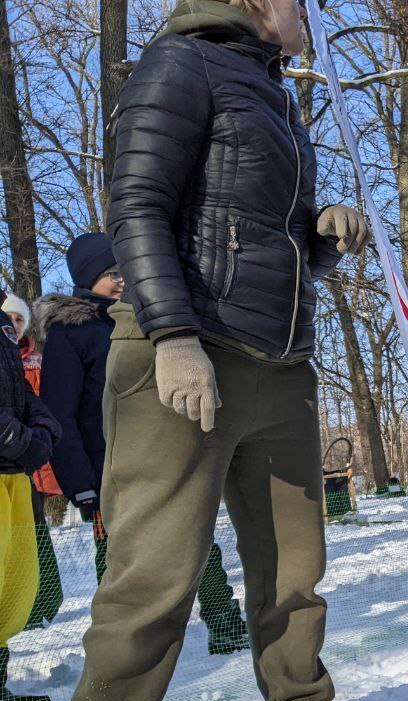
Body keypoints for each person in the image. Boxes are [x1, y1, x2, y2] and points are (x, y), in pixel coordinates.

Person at [60, 0, 377, 701]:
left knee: (292, 564)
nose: (314, 10)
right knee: (153, 576)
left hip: (277, 362)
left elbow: (254, 231)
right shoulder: (180, 65)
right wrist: (171, 334)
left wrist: (320, 235)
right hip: (185, 357)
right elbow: (138, 206)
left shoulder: (277, 94)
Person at [40, 234, 250, 654]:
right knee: (120, 561)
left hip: (166, 453)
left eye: (124, 272)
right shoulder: (71, 332)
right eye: (110, 274)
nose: (121, 281)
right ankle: (120, 645)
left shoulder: (143, 316)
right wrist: (81, 483)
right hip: (110, 471)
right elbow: (59, 414)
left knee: (196, 541)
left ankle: (226, 624)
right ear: (87, 279)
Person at [1, 293, 60, 701]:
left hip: (13, 477)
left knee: (12, 590)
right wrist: (23, 441)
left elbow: (22, 394)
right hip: (10, 459)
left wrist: (42, 431)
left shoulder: (5, 334)